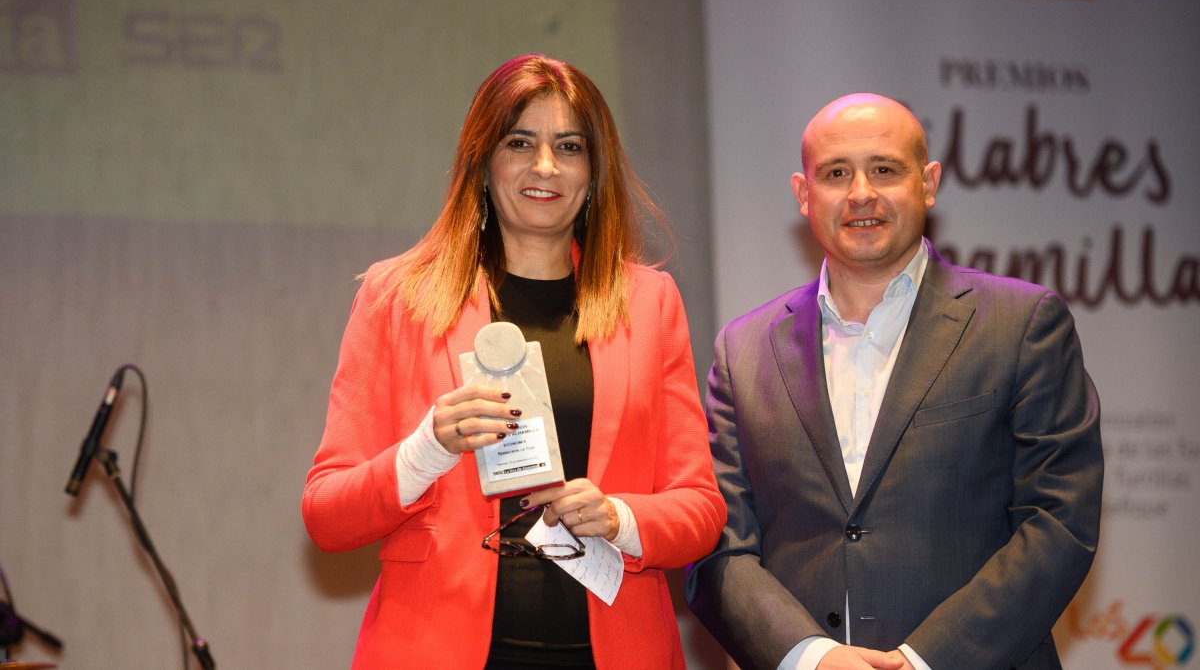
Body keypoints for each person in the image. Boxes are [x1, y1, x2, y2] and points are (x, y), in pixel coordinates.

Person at [301, 54, 725, 669]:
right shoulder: (398, 298)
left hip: (613, 650)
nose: (545, 166)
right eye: (520, 142)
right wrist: (428, 450)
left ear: (593, 169)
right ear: (484, 160)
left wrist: (620, 516)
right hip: (434, 648)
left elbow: (701, 507)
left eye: (569, 146)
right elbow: (327, 514)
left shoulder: (650, 303)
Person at [685, 93, 1103, 670]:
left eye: (884, 169)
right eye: (836, 173)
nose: (861, 193)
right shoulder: (743, 351)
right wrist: (813, 658)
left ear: (928, 183)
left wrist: (921, 661)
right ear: (804, 195)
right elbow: (718, 540)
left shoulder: (1023, 324)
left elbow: (1058, 521)